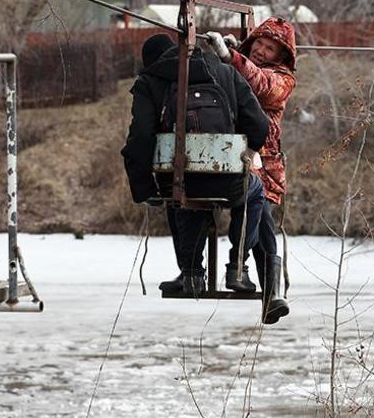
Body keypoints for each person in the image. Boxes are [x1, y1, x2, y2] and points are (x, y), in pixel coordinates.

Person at [122, 34, 270, 295]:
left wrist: (145, 189)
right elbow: (259, 123)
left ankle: (191, 275)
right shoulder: (223, 72)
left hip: (179, 181)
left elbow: (140, 137)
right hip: (228, 182)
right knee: (255, 191)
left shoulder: (150, 81)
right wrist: (247, 152)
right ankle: (237, 267)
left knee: (177, 196)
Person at [203, 18, 297, 324]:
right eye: (259, 43)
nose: (262, 51)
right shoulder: (240, 65)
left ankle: (264, 287)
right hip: (233, 153)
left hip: (263, 162)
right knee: (261, 221)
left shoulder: (282, 80)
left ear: (281, 58)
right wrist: (226, 56)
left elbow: (260, 84)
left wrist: (233, 57)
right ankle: (270, 292)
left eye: (270, 49)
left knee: (263, 220)